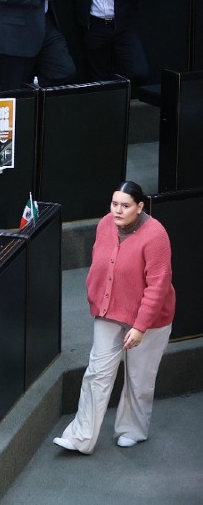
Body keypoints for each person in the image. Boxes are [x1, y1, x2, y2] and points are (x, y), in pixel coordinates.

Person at [53, 181, 175, 455]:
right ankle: (80, 436)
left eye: (126, 205)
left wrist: (140, 326)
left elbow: (158, 286)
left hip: (150, 321)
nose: (118, 211)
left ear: (140, 207)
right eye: (114, 204)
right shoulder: (105, 224)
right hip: (110, 311)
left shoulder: (156, 235)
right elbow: (100, 263)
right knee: (97, 372)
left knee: (139, 377)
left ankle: (132, 429)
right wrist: (93, 295)